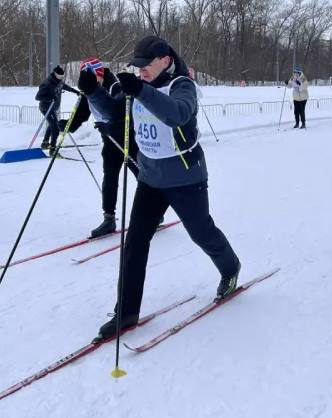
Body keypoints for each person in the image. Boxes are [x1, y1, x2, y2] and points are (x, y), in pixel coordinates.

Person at [80, 35, 241, 341]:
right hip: (150, 178)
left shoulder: (182, 85)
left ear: (165, 61)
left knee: (200, 231)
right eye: (136, 67)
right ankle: (126, 312)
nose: (139, 71)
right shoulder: (141, 86)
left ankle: (230, 267)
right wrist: (93, 93)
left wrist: (140, 90)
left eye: (145, 66)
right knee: (135, 243)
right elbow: (114, 114)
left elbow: (177, 114)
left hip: (185, 178)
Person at [59, 57, 140, 238]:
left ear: (100, 75)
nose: (92, 83)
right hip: (109, 142)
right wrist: (68, 125)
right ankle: (109, 218)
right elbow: (81, 114)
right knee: (109, 177)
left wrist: (112, 126)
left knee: (141, 175)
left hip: (127, 140)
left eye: (94, 78)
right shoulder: (89, 90)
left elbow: (123, 114)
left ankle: (154, 212)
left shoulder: (115, 87)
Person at [35, 65, 81, 155]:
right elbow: (38, 97)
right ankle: (53, 149)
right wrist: (50, 98)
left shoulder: (58, 82)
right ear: (55, 74)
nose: (61, 79)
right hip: (46, 108)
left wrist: (76, 92)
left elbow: (65, 86)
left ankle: (45, 143)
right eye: (59, 77)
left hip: (53, 108)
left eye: (62, 77)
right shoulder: (47, 83)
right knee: (55, 127)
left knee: (52, 125)